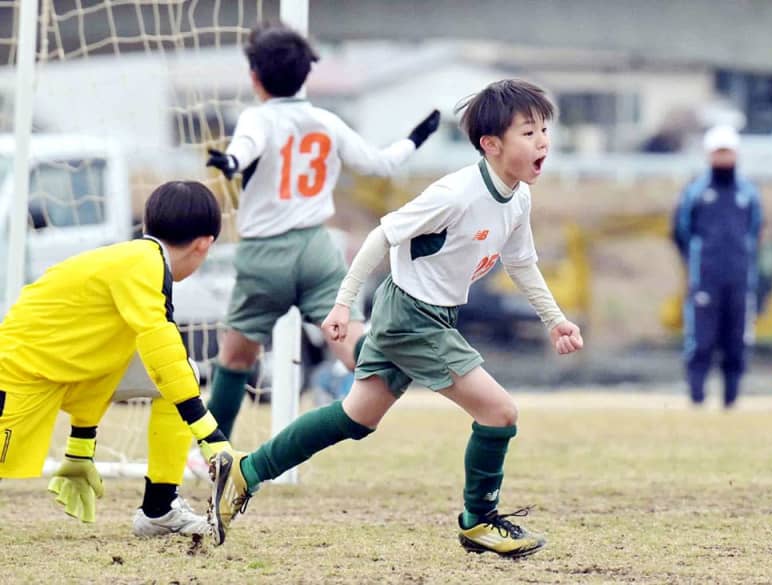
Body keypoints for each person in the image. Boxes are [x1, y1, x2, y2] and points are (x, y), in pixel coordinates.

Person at [207, 79, 584, 556]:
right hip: (412, 317)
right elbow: (381, 236)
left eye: (545, 129)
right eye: (529, 132)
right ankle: (478, 520)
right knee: (499, 411)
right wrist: (343, 303)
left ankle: (246, 470)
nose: (543, 141)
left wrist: (555, 321)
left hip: (426, 313)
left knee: (355, 417)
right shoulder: (457, 193)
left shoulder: (518, 196)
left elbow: (522, 263)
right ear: (491, 144)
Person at [204, 21, 440, 441]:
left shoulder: (257, 118)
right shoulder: (326, 121)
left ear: (254, 76)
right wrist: (416, 139)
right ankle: (393, 359)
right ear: (306, 74)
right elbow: (380, 163)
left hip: (264, 256)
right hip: (317, 248)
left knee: (236, 358)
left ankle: (212, 448)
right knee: (350, 342)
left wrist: (231, 163)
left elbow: (247, 147)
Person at [0, 181, 233, 535]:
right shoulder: (143, 264)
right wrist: (209, 433)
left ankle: (160, 508)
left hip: (51, 367)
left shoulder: (138, 258)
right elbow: (161, 344)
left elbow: (105, 358)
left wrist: (80, 445)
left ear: (145, 227)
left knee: (178, 375)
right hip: (19, 372)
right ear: (205, 244)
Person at [672, 125, 763, 407]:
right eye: (718, 152)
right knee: (701, 340)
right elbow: (681, 231)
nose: (723, 157)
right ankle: (697, 398)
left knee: (736, 342)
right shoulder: (696, 193)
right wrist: (698, 260)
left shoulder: (748, 194)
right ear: (709, 155)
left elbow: (755, 229)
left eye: (728, 151)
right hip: (706, 279)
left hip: (739, 279)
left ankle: (731, 401)